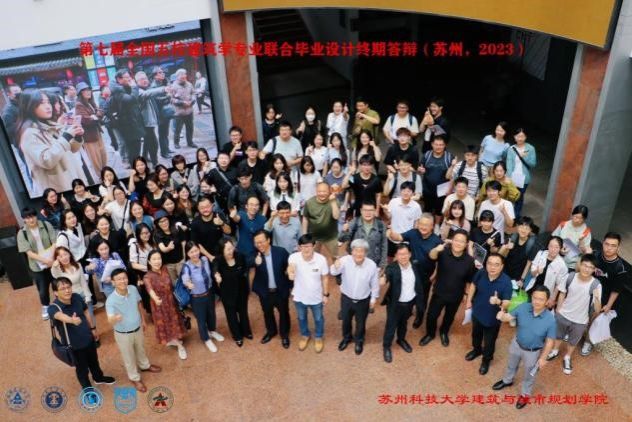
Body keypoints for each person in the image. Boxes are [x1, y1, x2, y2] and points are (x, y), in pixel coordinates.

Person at [493, 285, 557, 410]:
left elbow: (550, 342)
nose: (537, 302)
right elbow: (509, 317)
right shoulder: (523, 307)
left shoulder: (550, 320)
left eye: (541, 299)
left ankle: (525, 394)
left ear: (547, 301)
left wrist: (543, 358)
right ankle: (507, 380)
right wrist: (502, 316)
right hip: (516, 344)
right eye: (535, 298)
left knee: (529, 375)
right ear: (531, 297)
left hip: (532, 352)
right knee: (511, 365)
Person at [17, 89, 87, 196]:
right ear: (29, 106)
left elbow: (72, 149)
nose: (48, 106)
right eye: (41, 103)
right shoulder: (29, 134)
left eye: (48, 102)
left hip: (72, 179)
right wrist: (66, 137)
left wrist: (77, 137)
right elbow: (46, 160)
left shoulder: (51, 125)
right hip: (57, 187)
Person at [48, 277, 115, 389]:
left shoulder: (76, 297)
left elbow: (86, 311)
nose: (67, 291)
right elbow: (60, 316)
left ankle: (98, 377)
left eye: (68, 287)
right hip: (74, 346)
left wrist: (92, 328)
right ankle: (87, 389)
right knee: (82, 369)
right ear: (55, 292)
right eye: (63, 289)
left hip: (88, 338)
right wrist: (71, 320)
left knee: (94, 361)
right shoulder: (53, 308)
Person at [106, 268, 161, 393]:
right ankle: (134, 378)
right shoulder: (111, 300)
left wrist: (143, 320)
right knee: (129, 357)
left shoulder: (133, 289)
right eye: (119, 279)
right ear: (113, 282)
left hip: (137, 328)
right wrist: (114, 318)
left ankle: (145, 365)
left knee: (141, 349)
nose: (123, 281)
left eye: (124, 278)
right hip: (123, 334)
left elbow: (139, 304)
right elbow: (110, 319)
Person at [546, 254, 601, 375]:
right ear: (580, 265)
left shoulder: (596, 285)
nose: (587, 269)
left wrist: (597, 297)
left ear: (594, 270)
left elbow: (597, 310)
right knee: (558, 335)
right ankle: (555, 351)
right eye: (585, 265)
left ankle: (567, 357)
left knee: (573, 341)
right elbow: (562, 292)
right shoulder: (570, 276)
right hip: (563, 314)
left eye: (590, 267)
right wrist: (559, 310)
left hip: (580, 320)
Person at [421, 230, 477, 347]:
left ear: (466, 244)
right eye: (456, 240)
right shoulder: (443, 252)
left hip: (456, 295)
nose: (458, 243)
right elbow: (431, 256)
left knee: (449, 317)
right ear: (452, 240)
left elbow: (469, 280)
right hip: (439, 293)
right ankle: (430, 334)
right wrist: (436, 249)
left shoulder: (469, 261)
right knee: (431, 316)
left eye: (462, 241)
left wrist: (466, 295)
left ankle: (444, 332)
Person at [581, 232, 631, 355]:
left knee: (594, 321)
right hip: (588, 292)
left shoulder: (620, 268)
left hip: (603, 298)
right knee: (582, 314)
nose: (609, 248)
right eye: (607, 244)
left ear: (618, 247)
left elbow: (616, 290)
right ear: (603, 243)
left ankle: (588, 342)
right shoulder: (596, 255)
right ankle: (575, 332)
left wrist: (608, 305)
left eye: (613, 245)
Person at [387, 213, 442, 328]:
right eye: (421, 224)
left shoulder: (437, 241)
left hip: (426, 275)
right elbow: (398, 237)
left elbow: (439, 262)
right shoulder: (413, 233)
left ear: (432, 226)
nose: (423, 227)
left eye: (426, 225)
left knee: (422, 298)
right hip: (411, 272)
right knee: (409, 292)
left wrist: (434, 276)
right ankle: (408, 311)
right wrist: (391, 231)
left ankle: (419, 317)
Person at [464, 253, 513, 375]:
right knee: (476, 335)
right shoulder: (481, 273)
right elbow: (473, 285)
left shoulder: (506, 281)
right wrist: (469, 301)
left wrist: (498, 301)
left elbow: (507, 303)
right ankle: (476, 350)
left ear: (502, 266)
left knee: (489, 342)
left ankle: (486, 360)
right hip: (477, 312)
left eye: (496, 264)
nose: (492, 267)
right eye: (489, 264)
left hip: (492, 319)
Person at [330, 239, 379, 355]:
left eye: (361, 251)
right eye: (356, 251)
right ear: (351, 251)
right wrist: (335, 266)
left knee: (361, 323)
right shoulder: (344, 260)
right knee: (346, 321)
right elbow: (333, 272)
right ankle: (346, 338)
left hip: (363, 300)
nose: (358, 254)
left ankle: (359, 341)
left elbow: (375, 284)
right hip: (346, 299)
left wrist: (373, 298)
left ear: (366, 253)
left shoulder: (371, 265)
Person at [381, 243, 425, 363]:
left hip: (409, 302)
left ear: (410, 254)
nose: (403, 256)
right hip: (395, 304)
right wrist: (383, 279)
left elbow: (419, 283)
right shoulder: (392, 268)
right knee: (391, 326)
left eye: (405, 254)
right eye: (400, 254)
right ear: (396, 256)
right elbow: (386, 276)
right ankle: (386, 346)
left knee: (403, 323)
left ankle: (401, 340)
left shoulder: (415, 265)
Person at [288, 234, 330, 353]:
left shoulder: (321, 259)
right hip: (299, 296)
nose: (306, 249)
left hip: (316, 297)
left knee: (318, 318)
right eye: (303, 246)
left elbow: (325, 278)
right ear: (299, 247)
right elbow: (291, 267)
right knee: (301, 318)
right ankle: (305, 335)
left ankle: (318, 337)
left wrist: (325, 294)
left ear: (314, 246)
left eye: (309, 246)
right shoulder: (293, 257)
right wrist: (290, 273)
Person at [251, 230, 292, 348]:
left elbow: (290, 266)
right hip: (265, 292)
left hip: (280, 291)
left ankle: (284, 335)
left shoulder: (281, 252)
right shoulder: (255, 254)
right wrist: (255, 262)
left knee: (284, 313)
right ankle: (271, 331)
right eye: (256, 243)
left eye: (261, 242)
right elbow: (247, 261)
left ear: (268, 240)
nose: (259, 245)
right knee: (267, 313)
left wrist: (290, 284)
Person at [181, 242, 225, 352]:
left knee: (211, 314)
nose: (195, 254)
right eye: (191, 252)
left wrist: (216, 274)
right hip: (197, 298)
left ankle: (212, 331)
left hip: (209, 293)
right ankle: (206, 339)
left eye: (196, 250)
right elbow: (185, 278)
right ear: (187, 254)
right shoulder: (187, 266)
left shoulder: (204, 259)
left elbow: (214, 265)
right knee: (201, 319)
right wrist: (188, 284)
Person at [144, 250, 187, 360]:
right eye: (154, 259)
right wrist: (155, 298)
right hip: (160, 306)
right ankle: (180, 347)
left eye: (159, 258)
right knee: (167, 324)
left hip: (171, 301)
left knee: (174, 322)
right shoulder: (147, 277)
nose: (157, 261)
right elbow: (150, 289)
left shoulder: (165, 269)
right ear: (149, 261)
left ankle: (174, 339)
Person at [17, 207, 56, 319]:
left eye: (32, 216)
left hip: (52, 261)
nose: (31, 220)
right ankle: (45, 306)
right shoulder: (22, 233)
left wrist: (51, 259)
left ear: (36, 216)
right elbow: (29, 253)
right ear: (24, 219)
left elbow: (54, 242)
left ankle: (61, 303)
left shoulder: (46, 225)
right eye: (27, 218)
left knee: (57, 284)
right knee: (43, 290)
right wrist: (45, 261)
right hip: (37, 266)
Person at [213, 239, 252, 347]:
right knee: (231, 316)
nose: (231, 251)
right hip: (228, 293)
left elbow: (245, 269)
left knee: (243, 312)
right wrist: (217, 275)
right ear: (222, 251)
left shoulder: (240, 256)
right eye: (228, 249)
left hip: (242, 291)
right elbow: (215, 269)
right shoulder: (218, 260)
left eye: (232, 248)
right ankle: (237, 336)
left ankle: (246, 331)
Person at [418, 135, 455, 229]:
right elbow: (420, 167)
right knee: (427, 207)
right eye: (436, 144)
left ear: (444, 145)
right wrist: (420, 170)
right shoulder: (427, 155)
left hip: (442, 190)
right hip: (427, 188)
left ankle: (437, 226)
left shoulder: (449, 157)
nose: (438, 147)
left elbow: (452, 176)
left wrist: (450, 189)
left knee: (439, 208)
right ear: (432, 144)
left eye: (441, 145)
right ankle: (427, 224)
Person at [339, 200, 388, 270]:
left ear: (375, 211)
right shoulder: (354, 222)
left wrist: (382, 265)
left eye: (371, 210)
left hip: (373, 262)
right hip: (355, 262)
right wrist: (344, 231)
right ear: (361, 211)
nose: (368, 213)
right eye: (365, 210)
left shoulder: (380, 225)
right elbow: (341, 239)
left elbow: (384, 245)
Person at [108, 69, 145, 161]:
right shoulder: (118, 92)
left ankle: (136, 164)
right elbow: (131, 100)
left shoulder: (126, 88)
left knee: (136, 149)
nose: (130, 79)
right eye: (127, 77)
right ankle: (134, 166)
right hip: (128, 126)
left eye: (129, 77)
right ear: (119, 79)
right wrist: (134, 87)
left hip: (134, 123)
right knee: (133, 151)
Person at [134, 71, 167, 167]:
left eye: (145, 78)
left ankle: (144, 157)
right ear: (137, 82)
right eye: (141, 79)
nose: (145, 80)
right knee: (153, 143)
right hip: (145, 123)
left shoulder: (146, 88)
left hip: (149, 122)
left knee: (147, 140)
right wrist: (164, 89)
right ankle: (155, 163)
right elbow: (147, 94)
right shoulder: (138, 91)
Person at [302, 183, 340, 264]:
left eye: (324, 191)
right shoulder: (309, 202)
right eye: (319, 191)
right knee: (312, 258)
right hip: (313, 237)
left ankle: (337, 271)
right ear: (316, 191)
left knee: (335, 257)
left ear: (329, 191)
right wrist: (304, 235)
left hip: (331, 237)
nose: (322, 194)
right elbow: (305, 218)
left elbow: (336, 216)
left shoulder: (334, 201)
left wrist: (333, 202)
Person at [382, 181, 422, 258]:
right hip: (392, 236)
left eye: (409, 191)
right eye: (403, 190)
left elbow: (416, 225)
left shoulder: (416, 207)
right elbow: (389, 217)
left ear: (413, 193)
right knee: (389, 258)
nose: (405, 193)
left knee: (402, 259)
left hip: (405, 240)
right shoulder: (393, 202)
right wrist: (385, 211)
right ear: (400, 191)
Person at [74, 82, 107, 174]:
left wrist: (94, 116)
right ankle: (101, 177)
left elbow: (101, 112)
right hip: (89, 137)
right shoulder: (79, 105)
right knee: (96, 160)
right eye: (85, 90)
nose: (88, 92)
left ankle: (105, 174)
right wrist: (95, 116)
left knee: (103, 156)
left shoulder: (90, 102)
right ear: (80, 93)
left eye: (89, 90)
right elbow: (86, 120)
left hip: (97, 132)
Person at [526, 236, 568, 307]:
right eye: (551, 246)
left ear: (560, 248)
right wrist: (537, 270)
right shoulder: (541, 254)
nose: (553, 249)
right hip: (533, 289)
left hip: (545, 295)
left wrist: (552, 299)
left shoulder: (562, 265)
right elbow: (532, 273)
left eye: (556, 247)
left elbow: (558, 285)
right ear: (548, 246)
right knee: (528, 308)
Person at [499, 216, 539, 288]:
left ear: (530, 230)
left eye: (526, 228)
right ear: (517, 227)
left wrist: (522, 280)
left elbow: (528, 264)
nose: (523, 230)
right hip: (504, 272)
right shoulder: (512, 237)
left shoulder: (531, 244)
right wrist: (506, 247)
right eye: (521, 227)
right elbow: (500, 255)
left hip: (517, 278)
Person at [506, 128, 536, 218]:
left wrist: (524, 157)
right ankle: (508, 213)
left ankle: (516, 215)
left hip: (524, 178)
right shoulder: (511, 149)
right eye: (518, 136)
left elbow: (533, 164)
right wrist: (509, 177)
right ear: (514, 137)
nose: (520, 138)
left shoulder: (530, 148)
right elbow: (509, 163)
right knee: (510, 195)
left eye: (522, 136)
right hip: (512, 177)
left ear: (525, 137)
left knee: (519, 196)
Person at [190, 196, 231, 262]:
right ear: (198, 208)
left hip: (221, 252)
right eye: (202, 208)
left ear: (212, 205)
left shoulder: (218, 216)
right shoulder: (195, 223)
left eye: (207, 206)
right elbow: (197, 244)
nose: (205, 209)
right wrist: (210, 257)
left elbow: (229, 231)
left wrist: (222, 223)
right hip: (205, 256)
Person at [552, 205, 592, 270]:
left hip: (571, 266)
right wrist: (559, 249)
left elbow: (585, 253)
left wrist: (581, 242)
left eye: (581, 218)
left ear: (584, 219)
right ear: (572, 214)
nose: (577, 220)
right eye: (576, 217)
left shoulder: (586, 232)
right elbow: (553, 239)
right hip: (556, 259)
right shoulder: (563, 225)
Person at [230, 196, 267, 260]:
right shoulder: (241, 214)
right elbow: (237, 219)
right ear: (246, 206)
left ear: (259, 207)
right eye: (251, 205)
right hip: (241, 251)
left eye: (256, 205)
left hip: (256, 253)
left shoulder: (262, 219)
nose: (254, 207)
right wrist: (234, 216)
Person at [128, 223, 154, 313]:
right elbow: (133, 264)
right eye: (143, 233)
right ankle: (152, 313)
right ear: (138, 235)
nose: (146, 235)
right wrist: (148, 267)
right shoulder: (134, 246)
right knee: (148, 295)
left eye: (147, 232)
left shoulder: (153, 242)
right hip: (144, 274)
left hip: (155, 272)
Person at [153, 210, 186, 281]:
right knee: (174, 283)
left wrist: (184, 258)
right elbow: (162, 248)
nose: (164, 223)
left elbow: (183, 243)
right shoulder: (157, 235)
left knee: (184, 281)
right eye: (161, 222)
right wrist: (168, 248)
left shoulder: (177, 228)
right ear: (158, 224)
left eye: (165, 220)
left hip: (180, 261)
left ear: (169, 220)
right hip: (169, 265)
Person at [150, 66, 174, 159]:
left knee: (166, 132)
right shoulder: (154, 86)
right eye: (160, 72)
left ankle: (167, 149)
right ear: (155, 76)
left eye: (162, 72)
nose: (162, 73)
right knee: (162, 133)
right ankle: (164, 152)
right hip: (160, 113)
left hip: (165, 111)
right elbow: (157, 99)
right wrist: (168, 96)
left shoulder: (163, 82)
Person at [171, 68, 198, 149]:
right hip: (179, 113)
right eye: (181, 75)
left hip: (189, 111)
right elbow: (171, 99)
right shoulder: (173, 86)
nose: (184, 76)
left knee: (190, 128)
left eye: (184, 74)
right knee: (178, 129)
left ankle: (190, 142)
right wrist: (182, 103)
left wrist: (192, 101)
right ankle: (176, 143)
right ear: (177, 77)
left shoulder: (189, 84)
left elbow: (193, 93)